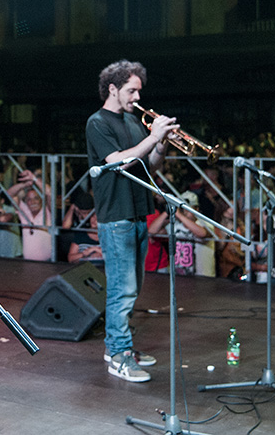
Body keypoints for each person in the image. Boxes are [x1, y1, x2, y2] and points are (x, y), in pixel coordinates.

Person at [86, 59, 178, 383]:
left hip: (139, 212)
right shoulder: (97, 123)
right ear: (112, 88)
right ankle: (119, 356)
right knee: (121, 291)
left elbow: (149, 164)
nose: (137, 97)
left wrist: (162, 140)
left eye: (138, 91)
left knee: (133, 287)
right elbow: (118, 162)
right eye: (131, 90)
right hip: (116, 216)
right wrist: (152, 137)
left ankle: (117, 347)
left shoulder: (134, 122)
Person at [7, 169, 53, 261]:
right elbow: (9, 194)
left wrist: (34, 178)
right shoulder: (24, 211)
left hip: (47, 263)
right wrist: (24, 185)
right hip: (27, 263)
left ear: (41, 199)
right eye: (29, 199)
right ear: (26, 201)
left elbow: (49, 192)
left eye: (36, 198)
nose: (33, 202)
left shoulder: (47, 211)